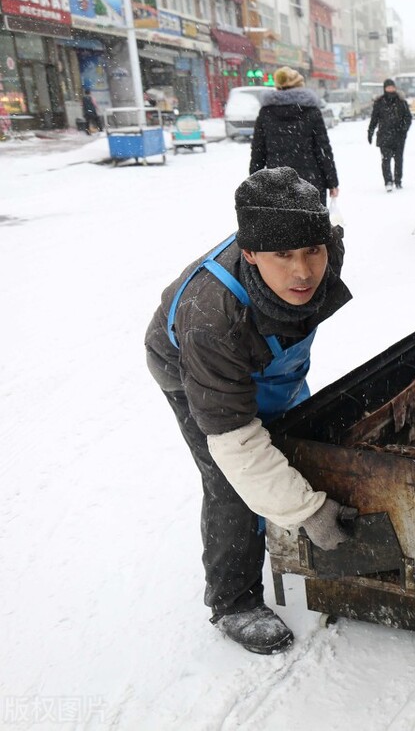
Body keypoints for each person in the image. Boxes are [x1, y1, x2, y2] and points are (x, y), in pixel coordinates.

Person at [145, 167, 354, 655]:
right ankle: (232, 600)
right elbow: (235, 442)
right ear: (250, 254)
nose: (302, 271)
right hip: (189, 366)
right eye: (282, 256)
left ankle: (296, 536)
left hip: (265, 358)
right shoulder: (211, 319)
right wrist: (308, 509)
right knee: (230, 482)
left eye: (312, 252)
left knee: (294, 438)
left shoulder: (322, 253)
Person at [250, 67, 339, 205]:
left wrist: (254, 183)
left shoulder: (266, 112)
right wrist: (332, 182)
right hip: (311, 182)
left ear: (278, 86)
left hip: (277, 182)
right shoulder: (311, 111)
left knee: (282, 224)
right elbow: (323, 149)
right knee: (312, 224)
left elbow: (258, 151)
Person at [367, 78, 413, 192]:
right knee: (385, 160)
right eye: (388, 87)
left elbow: (408, 117)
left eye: (392, 87)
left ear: (395, 88)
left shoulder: (401, 102)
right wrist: (370, 131)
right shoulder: (379, 102)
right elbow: (374, 119)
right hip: (384, 135)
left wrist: (404, 129)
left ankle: (398, 180)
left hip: (399, 136)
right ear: (384, 88)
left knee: (398, 159)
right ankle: (388, 181)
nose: (390, 89)